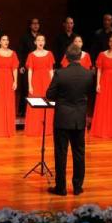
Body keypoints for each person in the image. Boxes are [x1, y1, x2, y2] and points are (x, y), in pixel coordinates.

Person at [45, 44, 95, 196]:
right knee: (79, 153)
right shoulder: (88, 74)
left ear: (66, 57)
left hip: (62, 119)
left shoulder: (60, 74)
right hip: (79, 118)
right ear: (80, 57)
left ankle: (61, 188)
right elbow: (90, 93)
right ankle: (78, 187)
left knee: (61, 153)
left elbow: (50, 95)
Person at [24, 34, 55, 137]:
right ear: (35, 42)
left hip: (47, 81)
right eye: (38, 40)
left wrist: (53, 84)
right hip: (36, 81)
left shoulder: (49, 54)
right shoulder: (31, 55)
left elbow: (51, 70)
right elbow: (30, 71)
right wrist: (30, 86)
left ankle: (47, 129)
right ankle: (35, 129)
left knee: (47, 103)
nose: (40, 42)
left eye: (42, 40)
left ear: (44, 42)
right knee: (36, 103)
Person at [18, 18, 41, 116]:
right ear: (30, 25)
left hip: (38, 67)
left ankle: (36, 110)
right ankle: (23, 111)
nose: (35, 25)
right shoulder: (25, 37)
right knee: (25, 88)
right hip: (27, 67)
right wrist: (22, 65)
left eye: (37, 23)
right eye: (33, 23)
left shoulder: (41, 37)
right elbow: (21, 52)